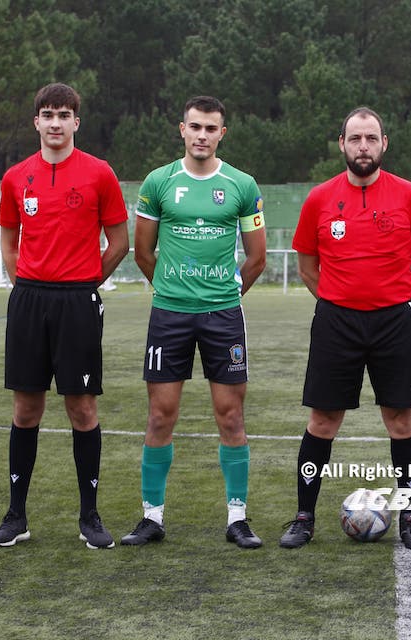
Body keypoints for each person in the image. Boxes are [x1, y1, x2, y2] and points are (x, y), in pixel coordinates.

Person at [279, 107, 411, 550]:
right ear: (342, 144)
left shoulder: (409, 196)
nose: (363, 146)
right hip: (336, 322)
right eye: (355, 139)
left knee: (400, 421)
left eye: (371, 138)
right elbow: (308, 265)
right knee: (323, 421)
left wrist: (400, 301)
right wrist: (337, 302)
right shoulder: (319, 198)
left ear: (384, 143)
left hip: (394, 321)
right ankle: (304, 516)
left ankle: (409, 515)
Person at [121, 96, 268, 548]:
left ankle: (238, 518)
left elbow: (257, 258)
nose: (201, 135)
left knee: (230, 416)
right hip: (169, 316)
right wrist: (171, 290)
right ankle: (152, 517)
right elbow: (143, 253)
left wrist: (223, 296)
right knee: (160, 415)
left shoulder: (242, 185)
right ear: (181, 130)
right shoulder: (158, 183)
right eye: (194, 127)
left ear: (222, 133)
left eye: (210, 128)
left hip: (224, 317)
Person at [0, 83, 130, 549]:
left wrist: (86, 282)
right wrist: (22, 282)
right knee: (26, 408)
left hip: (77, 301)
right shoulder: (15, 177)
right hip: (29, 300)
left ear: (76, 122)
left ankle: (89, 516)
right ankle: (15, 516)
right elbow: (10, 239)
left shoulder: (99, 174)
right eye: (47, 114)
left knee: (82, 407)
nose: (55, 122)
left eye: (63, 115)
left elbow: (119, 241)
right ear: (36, 122)